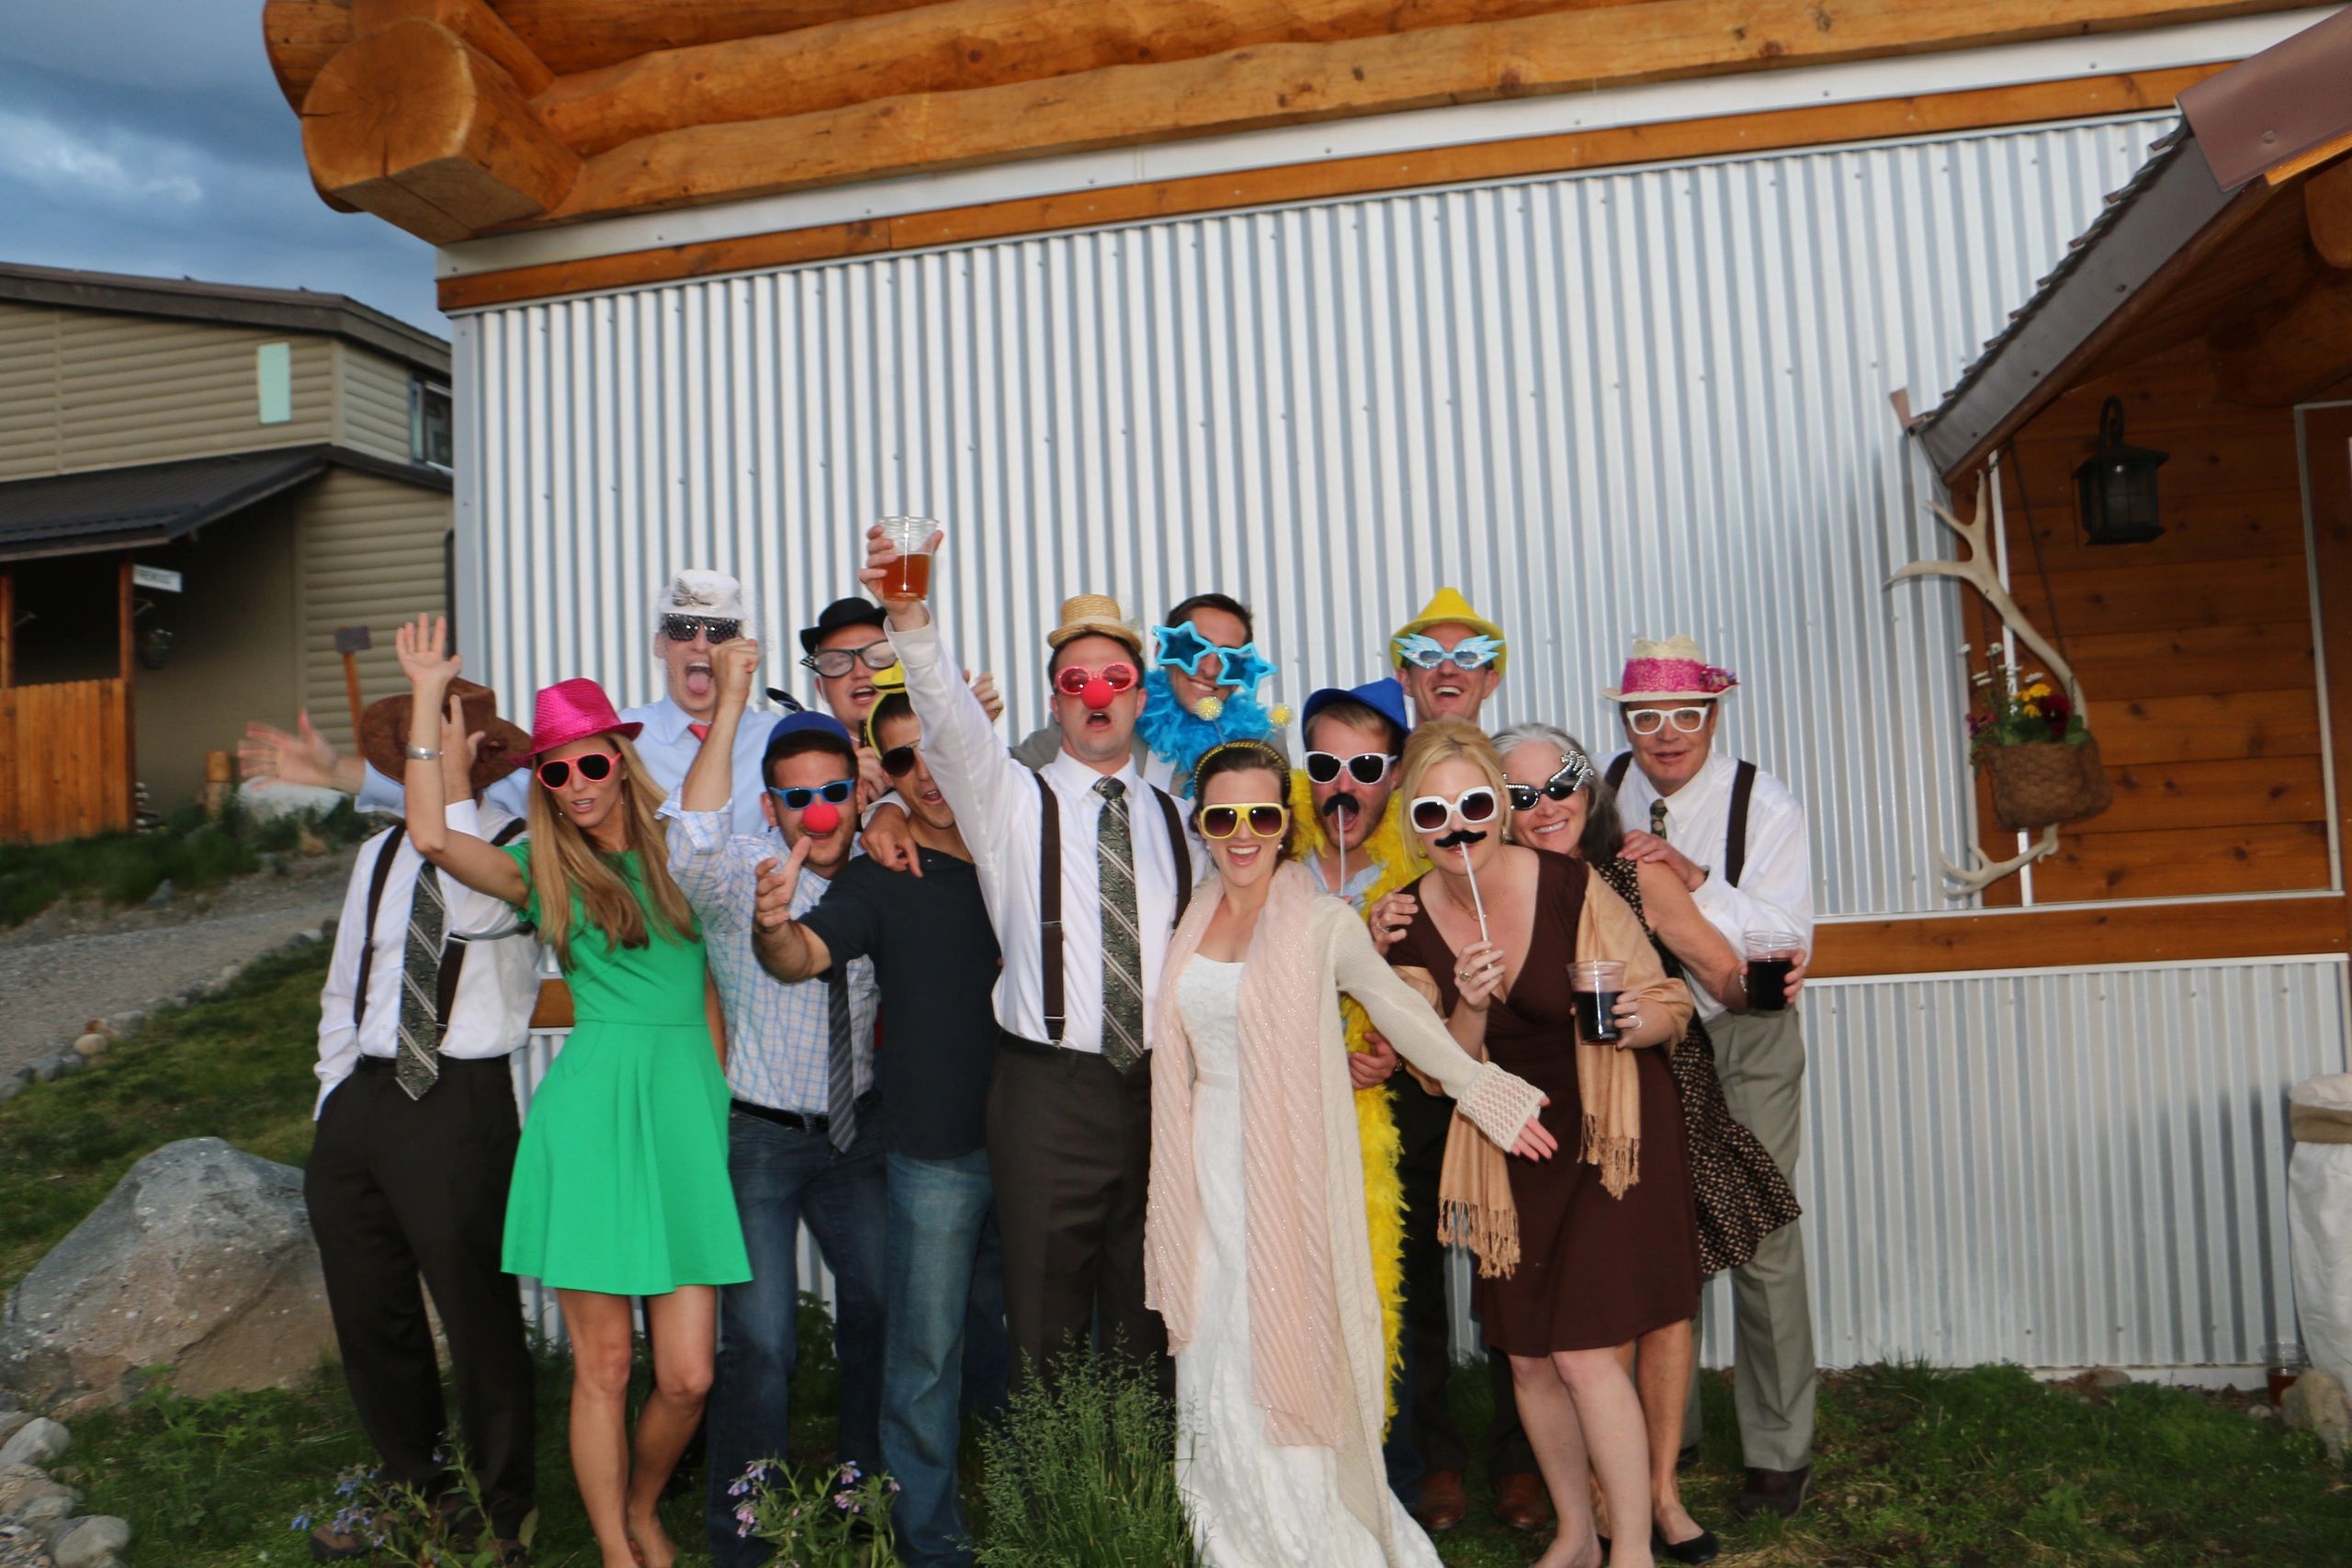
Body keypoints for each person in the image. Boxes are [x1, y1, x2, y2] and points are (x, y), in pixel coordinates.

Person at [1146, 739, 1554, 1568]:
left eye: (1262, 813)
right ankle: (1230, 1531)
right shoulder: (1189, 918)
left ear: (1285, 822)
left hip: (1287, 1170)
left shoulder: (1321, 921)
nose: (1243, 832)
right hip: (1204, 1167)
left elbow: (1400, 1015)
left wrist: (1481, 1088)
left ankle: (1308, 1534)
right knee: (1217, 1347)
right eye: (1223, 816)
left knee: (1284, 1344)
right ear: (1202, 824)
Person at [392, 614, 746, 1568]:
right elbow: (429, 832)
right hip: (591, 1120)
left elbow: (710, 989)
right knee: (605, 1365)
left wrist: (714, 1107)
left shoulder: (684, 852)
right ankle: (614, 1545)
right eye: (554, 773)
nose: (576, 787)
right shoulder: (544, 874)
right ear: (540, 785)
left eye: (590, 766)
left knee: (686, 1376)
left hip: (680, 1118)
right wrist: (429, 694)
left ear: (620, 763)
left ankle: (640, 1501)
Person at [867, 523, 1201, 1389]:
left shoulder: (1177, 817)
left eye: (1116, 679)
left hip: (1159, 1092)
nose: (1097, 694)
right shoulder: (1007, 800)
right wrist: (909, 614)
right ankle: (1058, 1514)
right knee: (1045, 1322)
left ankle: (1135, 1507)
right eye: (1075, 680)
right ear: (1053, 700)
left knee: (1150, 1316)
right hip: (1048, 1092)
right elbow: (946, 719)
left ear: (1139, 696)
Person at [1384, 719, 1699, 1568]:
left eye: (1476, 804)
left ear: (1498, 806)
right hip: (1509, 1141)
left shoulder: (1569, 883)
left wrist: (1640, 1022)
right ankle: (1574, 1531)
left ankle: (1628, 1544)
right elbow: (1432, 1069)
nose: (1458, 825)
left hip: (1608, 1129)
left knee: (1585, 1349)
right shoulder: (1409, 923)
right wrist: (1474, 1005)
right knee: (1527, 1357)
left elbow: (1670, 999)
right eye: (1434, 811)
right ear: (1414, 822)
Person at [1497, 724, 1807, 1565]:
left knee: (1662, 1305)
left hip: (1659, 1098)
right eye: (1520, 795)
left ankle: (1661, 1495)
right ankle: (1601, 1495)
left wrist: (1765, 981)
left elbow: (1723, 975)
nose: (1545, 806)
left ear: (1589, 788)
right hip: (1548, 1121)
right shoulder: (1492, 889)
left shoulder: (1635, 874)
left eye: (1559, 783)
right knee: (1590, 1321)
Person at [750, 680, 1005, 1568]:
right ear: (882, 772)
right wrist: (775, 927)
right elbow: (806, 953)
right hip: (934, 1150)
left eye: (941, 746)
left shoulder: (1024, 839)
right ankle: (931, 1542)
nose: (927, 772)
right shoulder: (876, 873)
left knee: (1034, 1341)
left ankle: (1048, 1502)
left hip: (1047, 1138)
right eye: (902, 758)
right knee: (924, 1360)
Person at [301, 680, 540, 1565]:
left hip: (457, 1099)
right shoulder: (378, 852)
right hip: (365, 1098)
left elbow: (471, 904)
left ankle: (502, 1512)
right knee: (373, 1313)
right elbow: (346, 980)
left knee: (477, 1314)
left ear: (473, 751)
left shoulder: (515, 844)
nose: (414, 761)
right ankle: (416, 1491)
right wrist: (335, 1092)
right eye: (407, 745)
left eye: (431, 741)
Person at [665, 640, 887, 1568]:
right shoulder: (742, 880)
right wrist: (733, 702)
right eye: (796, 796)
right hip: (759, 1134)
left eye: (833, 790)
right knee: (761, 1344)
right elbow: (692, 834)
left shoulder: (884, 870)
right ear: (772, 807)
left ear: (857, 791)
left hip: (856, 1135)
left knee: (881, 1304)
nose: (818, 811)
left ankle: (861, 1492)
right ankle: (743, 1536)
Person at [1600, 637, 1819, 1521]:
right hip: (1645, 1042)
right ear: (1626, 721)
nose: (1666, 734)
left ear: (1714, 715)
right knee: (1656, 1234)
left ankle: (1779, 1445)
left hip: (1746, 1033)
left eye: (1685, 715)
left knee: (1760, 1231)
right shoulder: (1603, 791)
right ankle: (1669, 1431)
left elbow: (1787, 936)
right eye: (1646, 717)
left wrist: (1696, 880)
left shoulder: (1764, 803)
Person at [1371, 588, 1544, 1534]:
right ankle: (1433, 1456)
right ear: (1404, 674)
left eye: (1467, 654)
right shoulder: (1362, 761)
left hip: (1524, 1056)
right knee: (1419, 1269)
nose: (1446, 670)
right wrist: (1372, 924)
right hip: (1417, 1053)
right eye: (1426, 656)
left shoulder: (1522, 765)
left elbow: (1570, 859)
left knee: (1520, 1266)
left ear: (1491, 671)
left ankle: (1527, 1457)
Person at [241, 570, 778, 837]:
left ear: (743, 643)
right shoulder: (613, 739)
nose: (702, 644)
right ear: (661, 644)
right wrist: (341, 773)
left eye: (720, 629)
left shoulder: (783, 737)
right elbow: (473, 792)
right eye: (684, 628)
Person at [1009, 592, 1285, 793]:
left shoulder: (1261, 746)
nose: (1210, 670)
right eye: (1194, 649)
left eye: (1230, 659)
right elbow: (997, 779)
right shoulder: (1108, 717)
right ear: (1162, 651)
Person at [786, 595, 1004, 810]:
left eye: (878, 656)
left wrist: (971, 739)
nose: (860, 673)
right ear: (820, 688)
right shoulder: (801, 769)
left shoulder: (944, 735)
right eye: (836, 663)